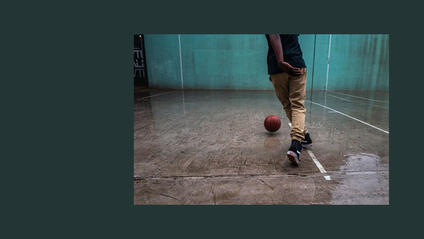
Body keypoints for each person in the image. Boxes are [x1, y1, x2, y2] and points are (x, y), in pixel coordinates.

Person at [265, 34, 313, 166]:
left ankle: (296, 144)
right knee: (297, 105)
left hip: (276, 67)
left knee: (288, 105)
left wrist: (280, 61)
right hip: (296, 62)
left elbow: (274, 35)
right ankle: (303, 137)